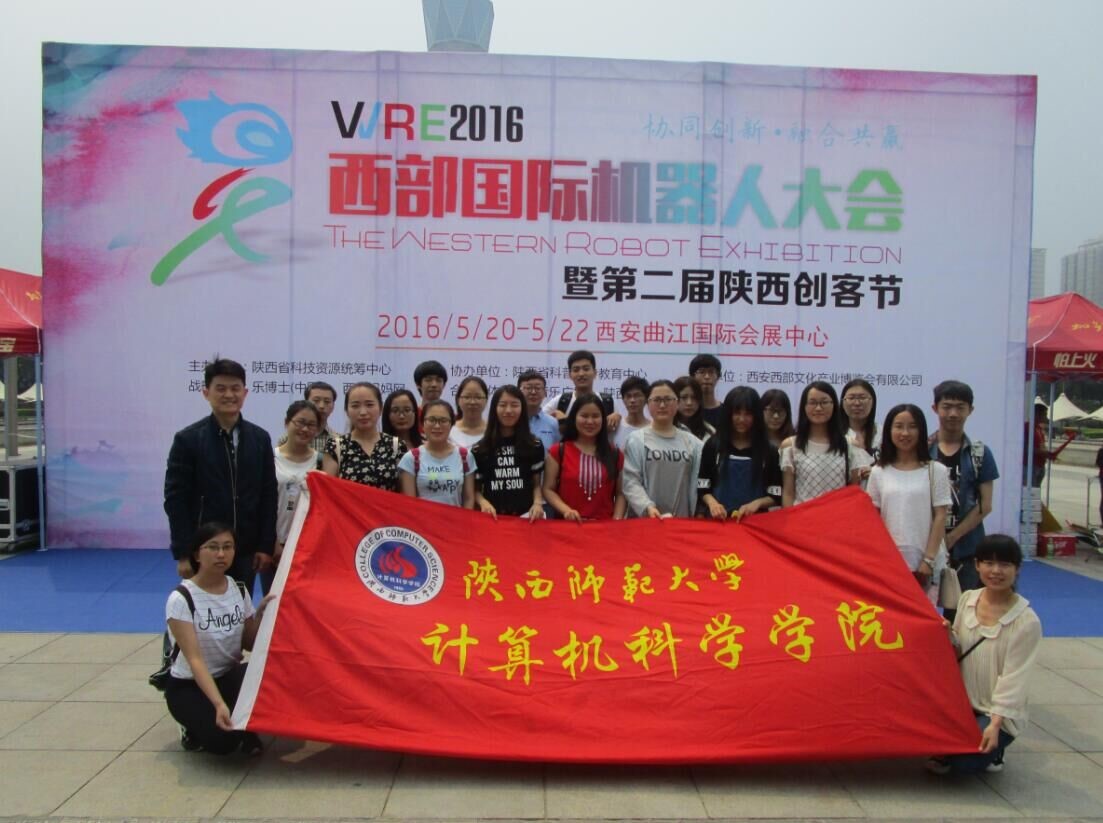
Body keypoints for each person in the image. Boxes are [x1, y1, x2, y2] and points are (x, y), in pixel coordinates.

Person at [928, 535, 1042, 776]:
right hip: (961, 704)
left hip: (995, 712)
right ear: (977, 565)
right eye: (988, 563)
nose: (996, 571)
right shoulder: (968, 599)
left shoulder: (1026, 621)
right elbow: (958, 649)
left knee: (963, 763)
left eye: (1005, 564)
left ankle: (997, 747)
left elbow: (1014, 679)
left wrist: (996, 724)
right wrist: (947, 635)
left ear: (1017, 569)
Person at [164, 358, 277, 596]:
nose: (229, 395)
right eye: (221, 388)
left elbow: (268, 495)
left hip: (245, 548)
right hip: (204, 549)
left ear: (245, 393)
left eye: (235, 388)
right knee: (203, 609)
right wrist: (184, 552)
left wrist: (265, 545)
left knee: (240, 608)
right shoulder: (188, 440)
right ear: (206, 393)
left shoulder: (259, 438)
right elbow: (176, 500)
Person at [164, 522, 272, 755]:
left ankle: (245, 727)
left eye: (227, 547)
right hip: (190, 686)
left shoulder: (238, 588)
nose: (221, 554)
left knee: (269, 674)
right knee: (223, 744)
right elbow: (195, 660)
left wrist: (261, 615)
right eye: (213, 547)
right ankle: (190, 725)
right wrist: (218, 704)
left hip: (228, 676)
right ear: (197, 554)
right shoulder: (181, 598)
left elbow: (249, 644)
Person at [867, 404, 951, 607]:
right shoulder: (878, 472)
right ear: (889, 431)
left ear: (921, 431)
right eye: (898, 426)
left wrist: (928, 560)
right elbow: (872, 518)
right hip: (889, 565)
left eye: (912, 426)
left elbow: (940, 516)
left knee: (923, 619)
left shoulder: (936, 470)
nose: (905, 433)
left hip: (924, 565)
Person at [929, 380, 1000, 605]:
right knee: (922, 611)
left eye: (960, 407)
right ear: (935, 408)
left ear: (971, 410)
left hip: (966, 549)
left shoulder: (980, 453)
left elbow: (985, 505)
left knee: (962, 611)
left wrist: (951, 538)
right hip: (926, 547)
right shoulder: (921, 450)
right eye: (947, 406)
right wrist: (938, 541)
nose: (953, 413)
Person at [780, 381, 870, 506]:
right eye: (812, 402)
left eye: (824, 402)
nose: (818, 408)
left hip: (838, 515)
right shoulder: (791, 445)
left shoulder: (850, 445)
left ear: (834, 405)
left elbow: (854, 491)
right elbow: (788, 493)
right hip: (803, 515)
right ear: (804, 407)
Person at [622, 380, 703, 518]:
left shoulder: (694, 443)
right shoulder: (636, 440)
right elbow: (630, 481)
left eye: (668, 399)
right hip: (647, 520)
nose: (662, 405)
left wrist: (700, 511)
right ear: (648, 404)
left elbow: (701, 482)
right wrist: (647, 506)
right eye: (657, 400)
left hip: (681, 521)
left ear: (677, 403)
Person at [698, 386, 782, 520]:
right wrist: (713, 504)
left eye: (748, 414)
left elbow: (776, 495)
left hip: (755, 522)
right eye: (736, 413)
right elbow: (703, 487)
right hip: (719, 521)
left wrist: (758, 503)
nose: (742, 419)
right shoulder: (713, 445)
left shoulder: (769, 451)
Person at [543, 393, 627, 521]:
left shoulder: (615, 454)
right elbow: (548, 489)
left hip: (605, 528)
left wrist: (616, 520)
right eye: (584, 416)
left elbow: (620, 493)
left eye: (595, 416)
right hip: (567, 526)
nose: (590, 421)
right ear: (574, 418)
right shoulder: (558, 451)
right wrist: (566, 511)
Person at [268, 400, 321, 593]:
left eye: (311, 425)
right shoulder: (269, 457)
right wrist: (272, 542)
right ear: (286, 422)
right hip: (274, 544)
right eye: (300, 422)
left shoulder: (321, 460)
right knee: (271, 600)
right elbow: (261, 503)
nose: (305, 429)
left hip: (307, 547)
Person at [472, 385, 546, 520]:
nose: (508, 410)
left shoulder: (534, 445)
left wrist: (537, 503)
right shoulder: (480, 449)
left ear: (522, 408)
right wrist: (483, 503)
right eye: (502, 405)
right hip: (493, 518)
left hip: (526, 518)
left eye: (514, 405)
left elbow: (536, 484)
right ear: (494, 408)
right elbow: (475, 490)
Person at [323, 382, 407, 491]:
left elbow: (406, 494)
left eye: (369, 405)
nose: (363, 412)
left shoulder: (396, 446)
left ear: (381, 408)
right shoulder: (335, 446)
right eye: (355, 406)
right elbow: (328, 491)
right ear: (347, 411)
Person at [398, 399, 475, 508]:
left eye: (443, 420)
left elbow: (468, 498)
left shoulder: (465, 456)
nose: (437, 426)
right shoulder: (410, 458)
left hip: (456, 518)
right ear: (422, 424)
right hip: (422, 518)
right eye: (431, 420)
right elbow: (410, 503)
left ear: (451, 424)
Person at [543, 349, 620, 432]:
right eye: (576, 370)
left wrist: (618, 418)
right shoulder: (561, 401)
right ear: (570, 375)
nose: (581, 374)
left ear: (595, 373)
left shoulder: (608, 402)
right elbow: (538, 419)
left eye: (586, 369)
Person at [276, 381, 338, 468]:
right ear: (306, 402)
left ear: (333, 406)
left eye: (327, 402)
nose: (321, 406)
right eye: (316, 400)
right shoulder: (286, 439)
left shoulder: (337, 441)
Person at [1024, 402, 1074, 488]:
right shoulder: (1026, 427)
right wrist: (1045, 453)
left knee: (1036, 490)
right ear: (1037, 414)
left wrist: (1048, 454)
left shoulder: (1039, 429)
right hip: (1031, 466)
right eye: (1044, 414)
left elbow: (1041, 446)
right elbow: (1025, 448)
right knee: (1031, 490)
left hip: (1040, 465)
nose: (1045, 417)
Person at [518, 370, 561, 451]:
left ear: (545, 392)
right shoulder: (511, 421)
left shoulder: (553, 424)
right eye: (528, 388)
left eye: (538, 388)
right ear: (518, 392)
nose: (533, 392)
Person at [841, 378, 880, 458]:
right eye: (851, 398)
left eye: (862, 398)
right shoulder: (833, 434)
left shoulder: (883, 433)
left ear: (872, 402)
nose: (857, 403)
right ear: (843, 403)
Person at [450, 376, 488, 448]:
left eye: (478, 397)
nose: (472, 402)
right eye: (467, 397)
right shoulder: (448, 431)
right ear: (458, 400)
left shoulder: (493, 431)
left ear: (486, 401)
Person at [673, 375, 715, 441]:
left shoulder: (709, 431)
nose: (689, 403)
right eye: (684, 397)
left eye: (694, 398)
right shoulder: (665, 428)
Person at [613, 375, 650, 450]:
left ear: (646, 399)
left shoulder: (654, 427)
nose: (632, 400)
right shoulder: (615, 426)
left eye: (637, 395)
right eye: (628, 396)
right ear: (623, 400)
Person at [689, 353, 724, 429]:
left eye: (711, 372)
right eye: (702, 372)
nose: (707, 377)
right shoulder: (687, 410)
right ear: (692, 376)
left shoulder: (725, 411)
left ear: (718, 377)